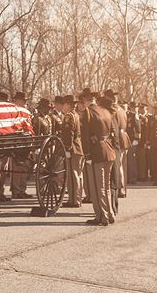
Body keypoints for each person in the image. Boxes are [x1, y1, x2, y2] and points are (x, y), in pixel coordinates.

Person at [80, 92, 117, 226]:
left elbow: (84, 137)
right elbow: (114, 133)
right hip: (109, 151)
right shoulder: (106, 111)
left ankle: (102, 216)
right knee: (106, 187)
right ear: (95, 100)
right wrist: (111, 147)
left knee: (97, 187)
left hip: (96, 153)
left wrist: (87, 155)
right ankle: (110, 214)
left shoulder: (87, 113)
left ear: (84, 101)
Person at [59, 95, 84, 207]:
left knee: (73, 174)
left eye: (64, 104)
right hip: (79, 146)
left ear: (68, 104)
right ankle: (77, 198)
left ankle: (74, 200)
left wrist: (67, 148)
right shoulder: (76, 115)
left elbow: (69, 134)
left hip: (73, 147)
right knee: (78, 174)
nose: (63, 107)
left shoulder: (68, 116)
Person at [10, 91, 31, 198]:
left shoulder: (26, 112)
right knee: (17, 168)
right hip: (17, 143)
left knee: (25, 167)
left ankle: (22, 189)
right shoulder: (13, 112)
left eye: (25, 101)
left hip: (26, 142)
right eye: (23, 101)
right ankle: (16, 190)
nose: (24, 103)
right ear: (17, 101)